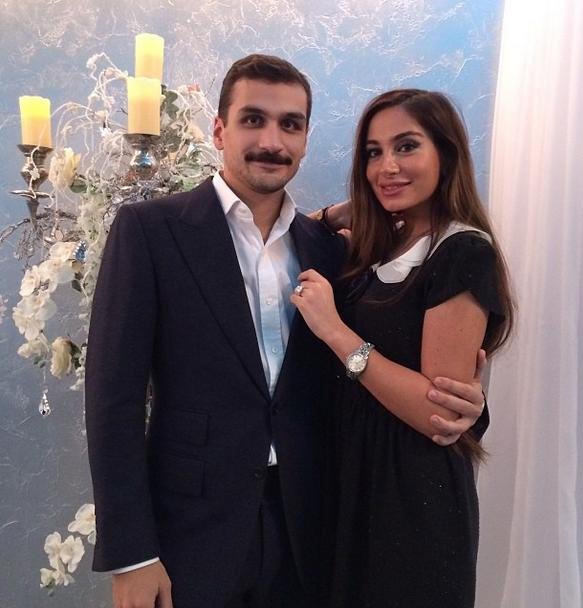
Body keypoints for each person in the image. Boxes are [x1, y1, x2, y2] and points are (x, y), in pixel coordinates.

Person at [85, 57, 486, 608]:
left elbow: (378, 361)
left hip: (314, 530)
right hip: (192, 534)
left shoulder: (332, 251)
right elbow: (113, 401)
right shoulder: (151, 232)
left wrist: (469, 403)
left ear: (305, 139)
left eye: (290, 124)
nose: (272, 141)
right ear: (219, 130)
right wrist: (132, 554)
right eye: (253, 120)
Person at [292, 89, 514, 608]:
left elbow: (437, 413)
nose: (387, 166)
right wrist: (344, 210)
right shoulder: (386, 242)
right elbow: (301, 229)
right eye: (374, 153)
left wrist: (336, 331)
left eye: (406, 146)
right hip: (354, 480)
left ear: (446, 154)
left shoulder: (462, 251)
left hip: (412, 497)